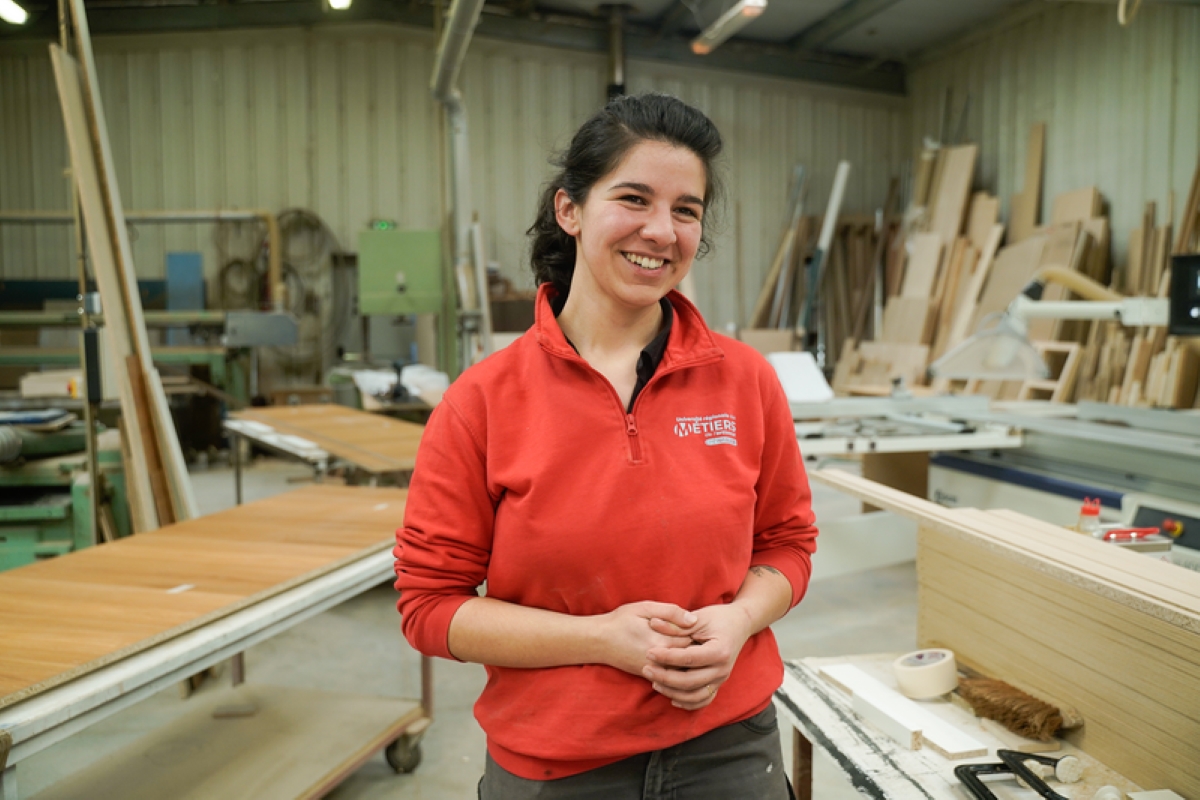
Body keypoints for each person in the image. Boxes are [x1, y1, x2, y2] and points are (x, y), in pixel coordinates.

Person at [394, 92, 819, 799]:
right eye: (634, 199)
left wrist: (739, 619)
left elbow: (788, 544)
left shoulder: (745, 382)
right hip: (558, 766)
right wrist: (600, 639)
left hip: (731, 753)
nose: (662, 230)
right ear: (570, 210)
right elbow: (430, 606)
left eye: (686, 209)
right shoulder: (483, 401)